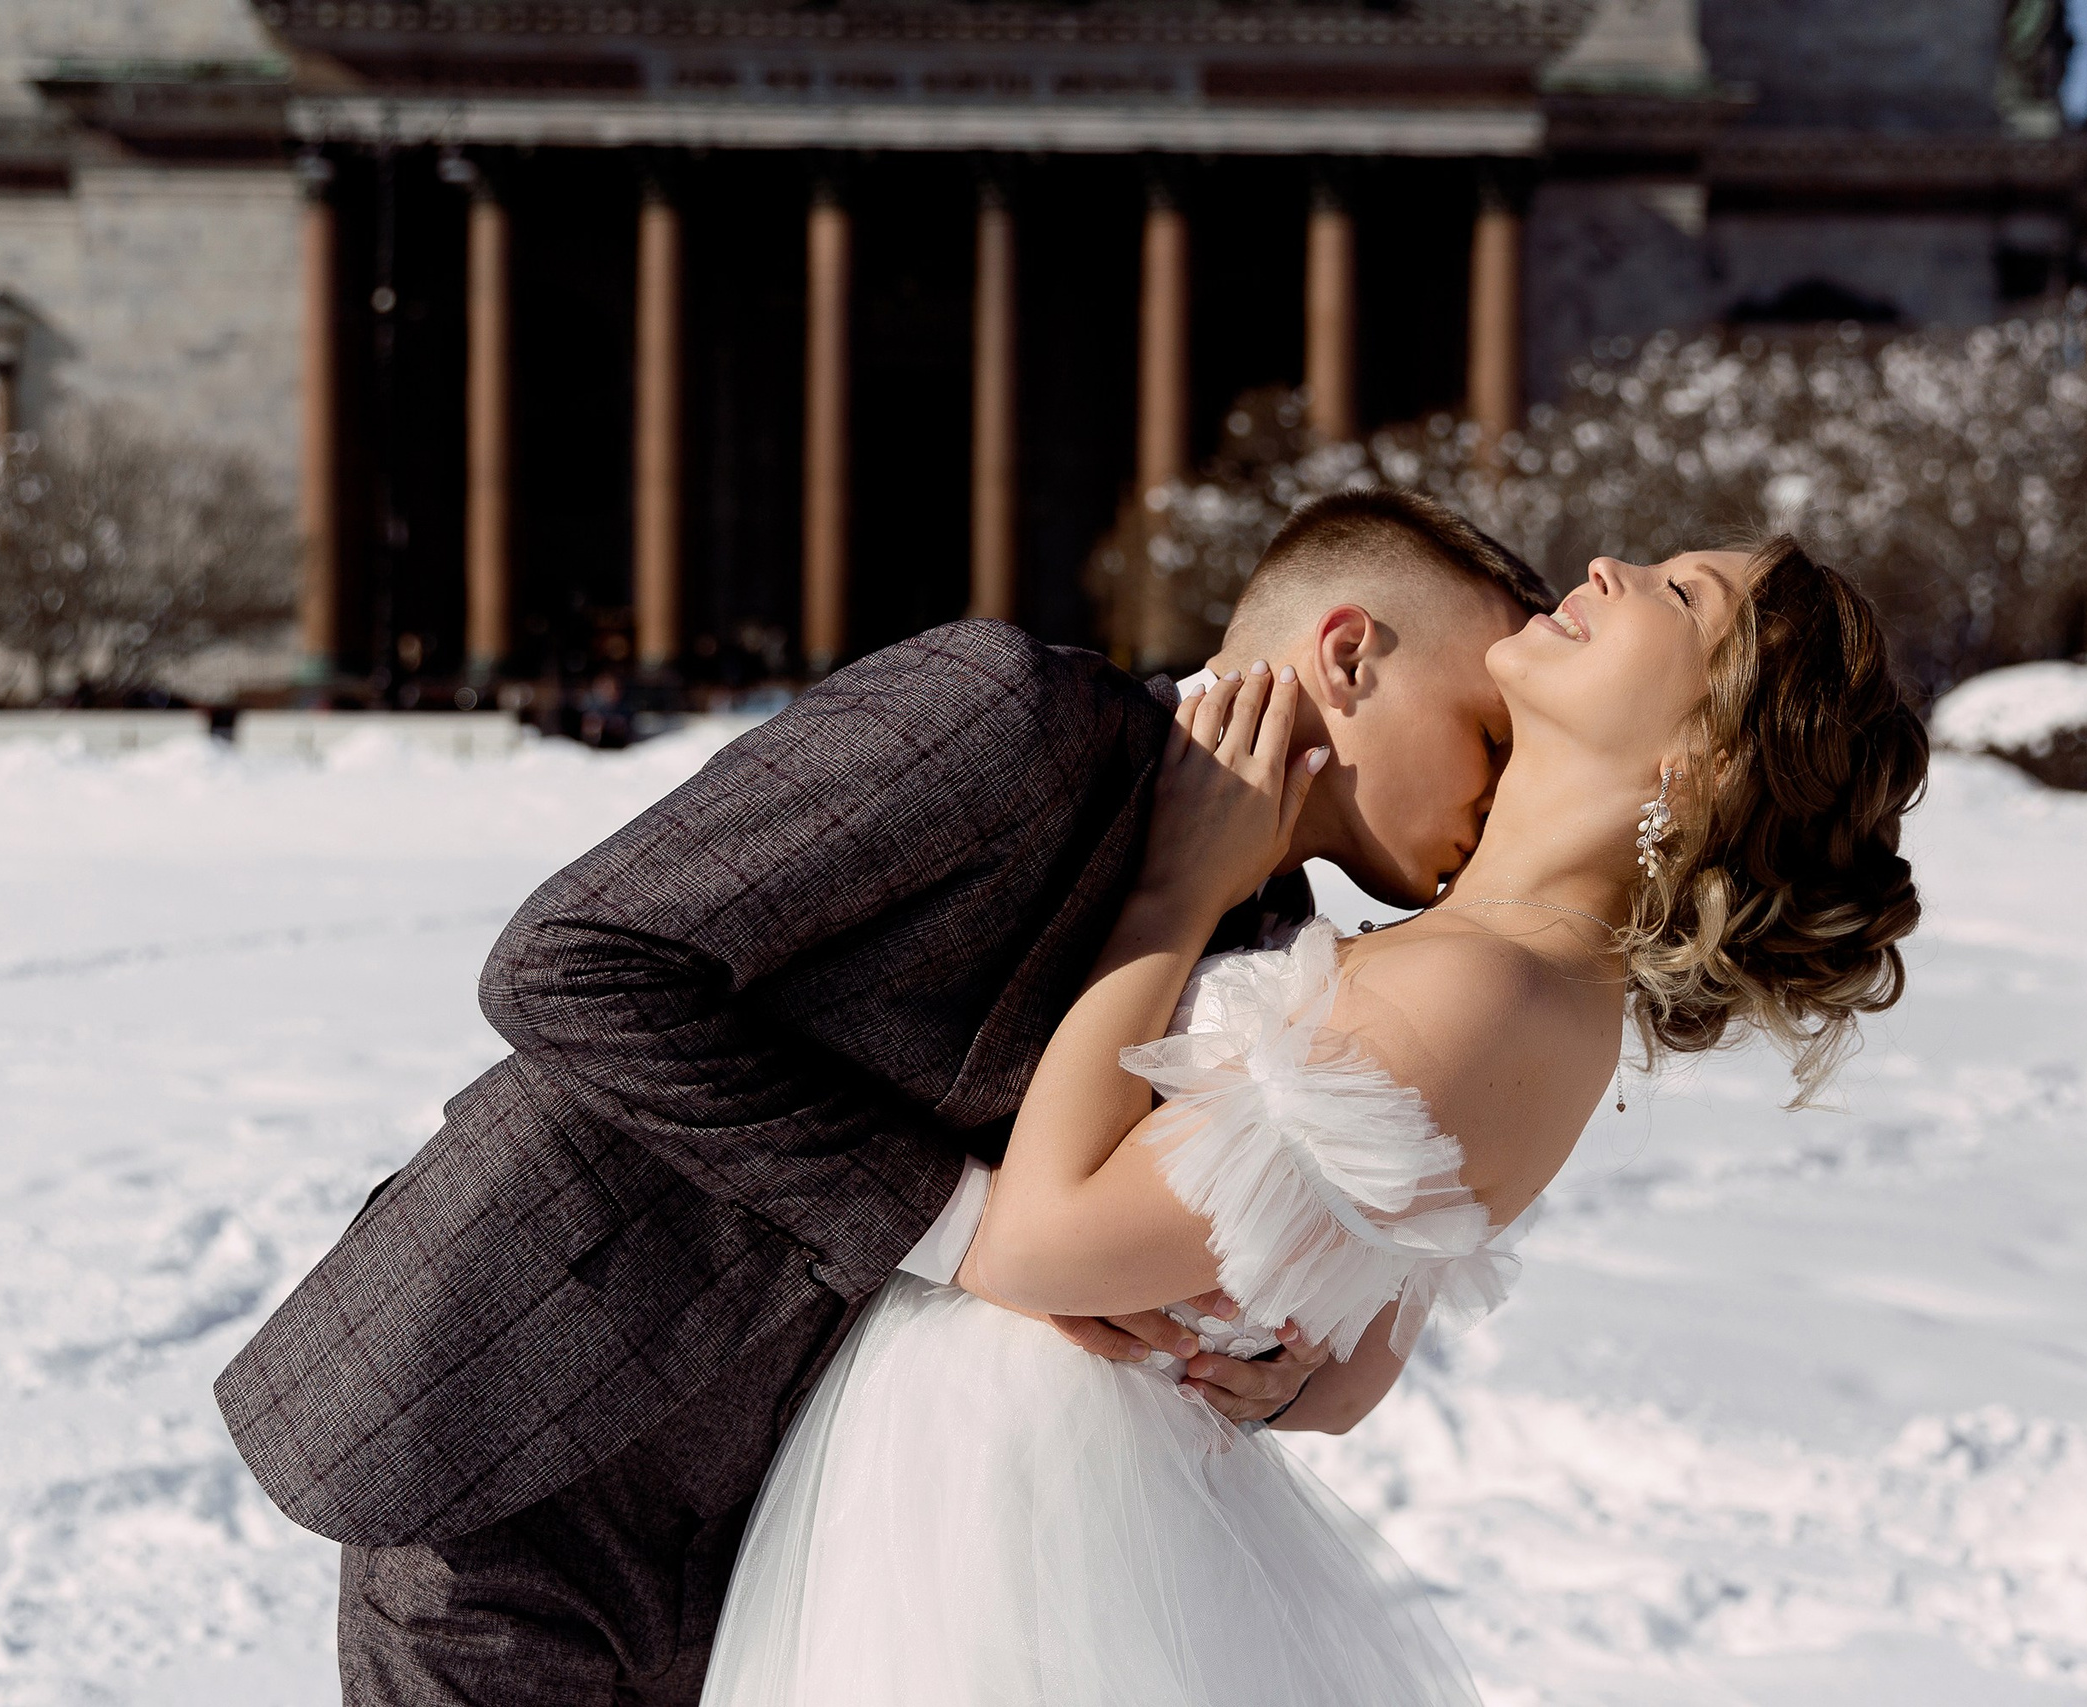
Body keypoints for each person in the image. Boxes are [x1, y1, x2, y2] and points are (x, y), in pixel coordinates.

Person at [215, 489, 1550, 1703]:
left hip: (814, 1569)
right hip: (517, 1455)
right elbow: (573, 962)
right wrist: (960, 1225)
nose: (1508, 791)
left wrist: (1265, 1357)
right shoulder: (1005, 713)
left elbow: (1143, 1255)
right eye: (1493, 729)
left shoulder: (1275, 954)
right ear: (1350, 650)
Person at [698, 535, 1927, 1703]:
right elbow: (1352, 1352)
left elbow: (1035, 1245)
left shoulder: (1479, 988)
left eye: (1680, 596)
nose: (1612, 564)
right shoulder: (1517, 975)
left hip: (1009, 1488)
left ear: (1702, 761)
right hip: (1044, 1465)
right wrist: (1295, 1386)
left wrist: (1177, 890)